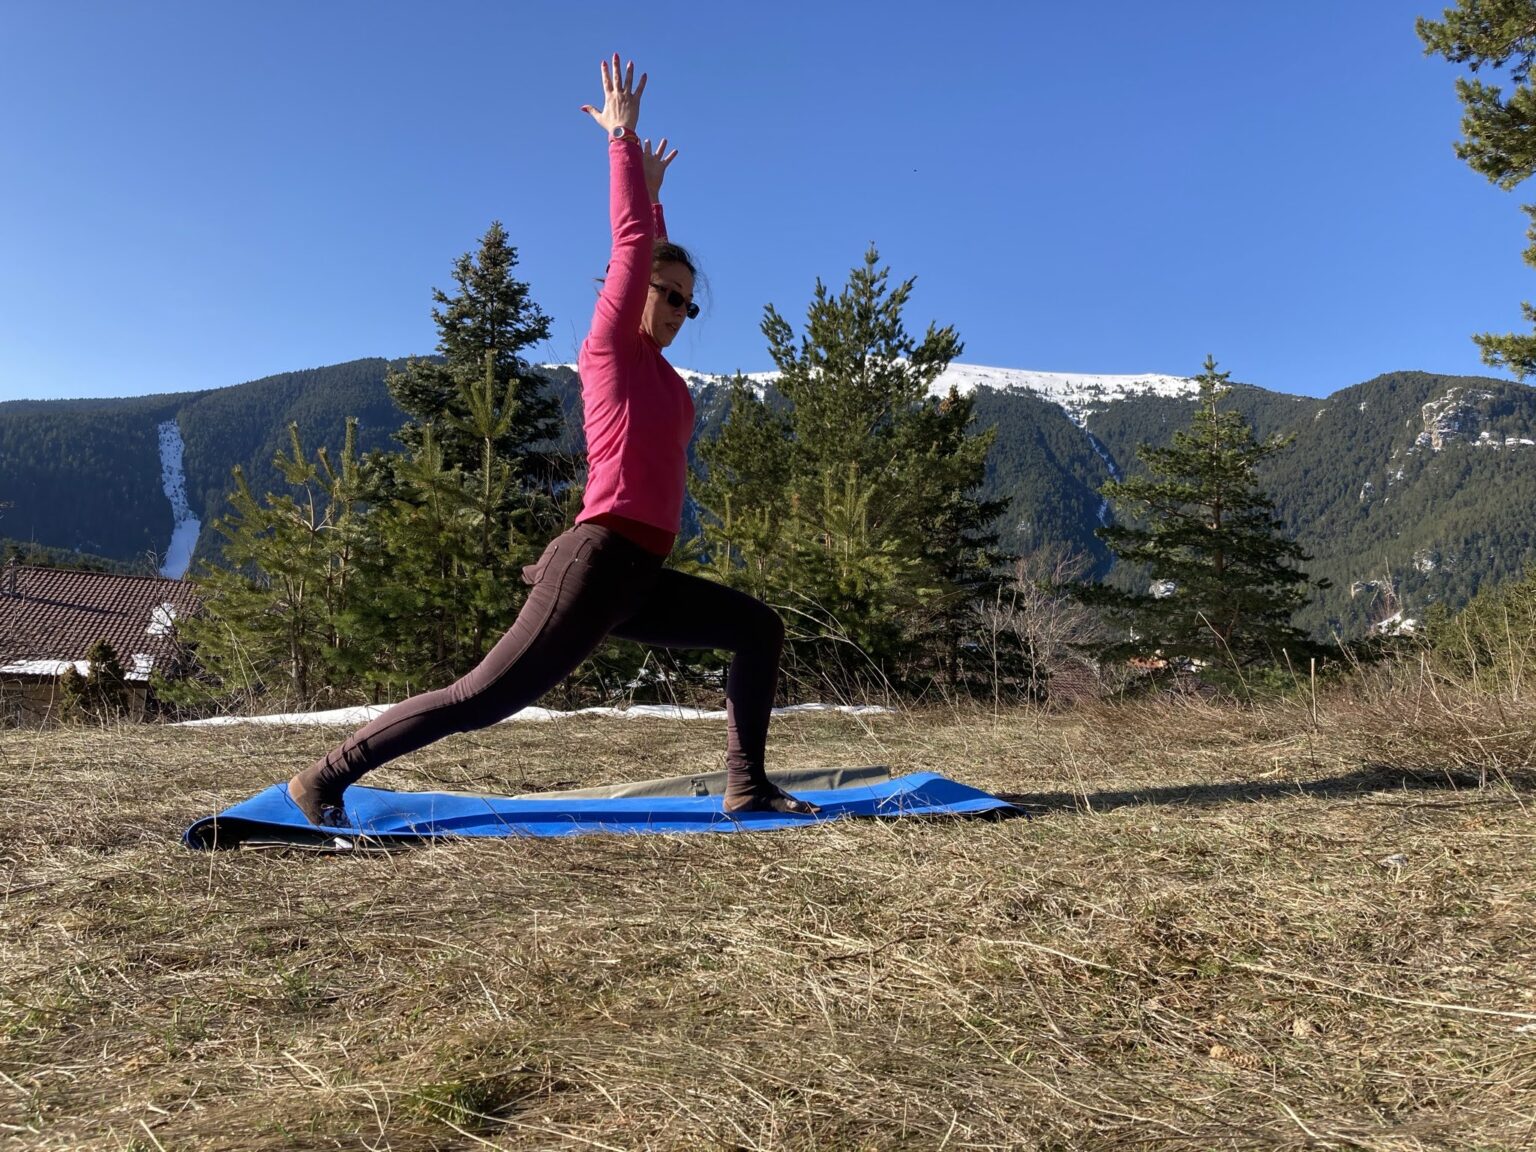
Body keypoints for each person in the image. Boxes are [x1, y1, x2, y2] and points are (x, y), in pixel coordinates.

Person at [286, 54, 819, 827]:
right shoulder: (609, 348)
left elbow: (652, 249)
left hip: (640, 576)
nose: (674, 310)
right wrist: (622, 146)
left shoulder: (664, 378)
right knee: (480, 699)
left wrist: (657, 199)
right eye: (665, 297)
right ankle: (324, 778)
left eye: (686, 306)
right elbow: (634, 247)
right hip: (595, 562)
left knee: (756, 629)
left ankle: (747, 785)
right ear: (631, 293)